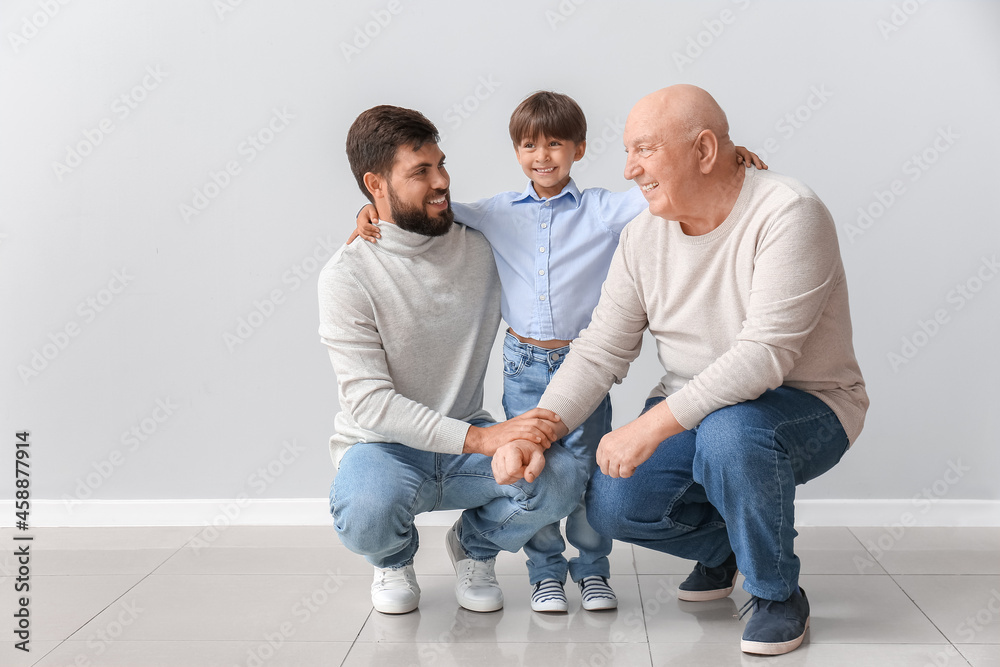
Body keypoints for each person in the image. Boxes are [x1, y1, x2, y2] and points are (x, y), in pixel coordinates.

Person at [353, 91, 766, 613]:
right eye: (529, 145)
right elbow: (424, 206)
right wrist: (371, 208)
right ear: (516, 151)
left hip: (585, 365)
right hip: (525, 365)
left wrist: (727, 160)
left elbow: (673, 185)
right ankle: (545, 572)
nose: (542, 155)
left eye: (555, 144)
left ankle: (593, 571)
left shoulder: (606, 208)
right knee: (533, 469)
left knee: (592, 473)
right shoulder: (496, 213)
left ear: (580, 148)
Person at [494, 85, 869, 655]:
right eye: (627, 152)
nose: (628, 169)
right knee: (613, 504)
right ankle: (725, 552)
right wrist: (539, 426)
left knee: (730, 432)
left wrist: (648, 426)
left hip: (807, 404)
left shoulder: (788, 212)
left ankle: (776, 594)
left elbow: (764, 356)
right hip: (695, 406)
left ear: (705, 150)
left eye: (644, 149)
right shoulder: (643, 236)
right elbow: (600, 348)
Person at [318, 104, 587, 616]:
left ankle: (475, 547)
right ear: (376, 185)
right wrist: (486, 439)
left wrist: (726, 162)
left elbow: (565, 227)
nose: (442, 181)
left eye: (441, 164)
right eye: (420, 172)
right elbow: (371, 405)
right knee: (365, 511)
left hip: (467, 439)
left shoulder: (486, 246)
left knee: (562, 479)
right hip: (384, 448)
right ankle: (393, 558)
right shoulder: (347, 276)